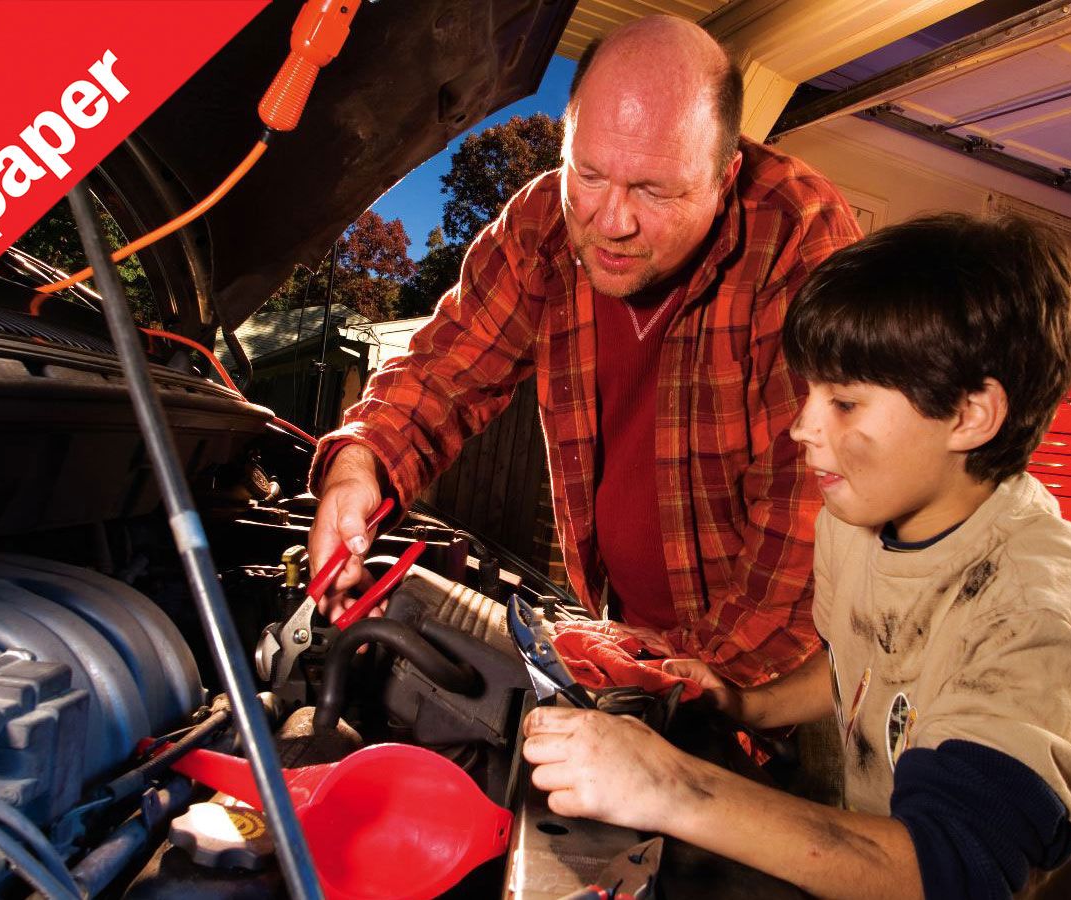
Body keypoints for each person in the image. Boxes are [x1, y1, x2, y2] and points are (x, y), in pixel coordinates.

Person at [522, 213, 1071, 899]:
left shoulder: (1040, 612)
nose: (802, 428)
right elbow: (861, 657)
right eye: (810, 392)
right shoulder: (859, 520)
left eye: (844, 402)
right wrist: (749, 706)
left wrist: (672, 785)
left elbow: (955, 869)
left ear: (971, 415)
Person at [307, 15, 860, 685]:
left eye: (654, 190)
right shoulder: (543, 223)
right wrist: (359, 464)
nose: (611, 222)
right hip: (621, 624)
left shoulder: (800, 241)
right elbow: (443, 369)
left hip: (779, 685)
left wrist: (666, 695)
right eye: (589, 174)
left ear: (725, 174)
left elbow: (804, 544)